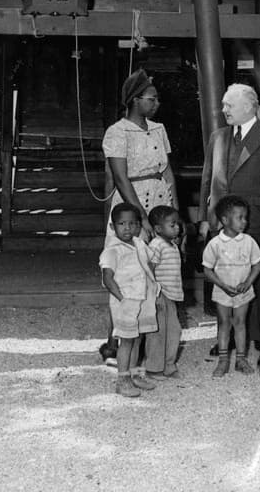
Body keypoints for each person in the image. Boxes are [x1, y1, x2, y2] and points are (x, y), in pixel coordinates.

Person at [199, 83, 260, 351]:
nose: (223, 109)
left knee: (257, 276)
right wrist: (205, 219)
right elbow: (208, 180)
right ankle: (224, 338)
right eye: (224, 104)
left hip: (256, 219)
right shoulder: (218, 137)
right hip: (221, 223)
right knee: (222, 277)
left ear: (249, 107)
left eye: (229, 105)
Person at [102, 69, 179, 243]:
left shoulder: (158, 129)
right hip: (132, 205)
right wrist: (142, 218)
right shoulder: (117, 132)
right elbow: (121, 179)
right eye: (152, 100)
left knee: (164, 260)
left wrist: (175, 214)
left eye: (158, 99)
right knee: (131, 260)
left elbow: (167, 174)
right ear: (135, 100)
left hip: (160, 201)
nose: (157, 104)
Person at [99, 202, 159, 397]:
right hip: (125, 302)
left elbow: (150, 262)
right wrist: (122, 300)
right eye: (122, 224)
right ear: (112, 227)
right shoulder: (112, 250)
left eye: (132, 224)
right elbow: (107, 279)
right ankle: (122, 380)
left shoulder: (139, 244)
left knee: (137, 337)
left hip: (142, 299)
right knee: (126, 341)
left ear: (139, 226)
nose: (127, 228)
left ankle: (134, 374)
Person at [202, 195, 260, 378]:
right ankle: (223, 361)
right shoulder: (215, 244)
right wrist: (221, 285)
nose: (244, 221)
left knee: (240, 323)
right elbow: (207, 270)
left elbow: (257, 266)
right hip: (222, 291)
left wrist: (248, 282)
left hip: (244, 292)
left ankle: (241, 360)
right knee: (224, 323)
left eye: (245, 217)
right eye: (240, 217)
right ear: (225, 220)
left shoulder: (249, 242)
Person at [144, 205, 184, 380]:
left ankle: (169, 365)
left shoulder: (173, 246)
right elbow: (149, 268)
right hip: (160, 295)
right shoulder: (156, 245)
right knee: (158, 332)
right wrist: (154, 292)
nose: (177, 227)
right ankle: (153, 367)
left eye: (177, 224)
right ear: (158, 229)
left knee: (174, 331)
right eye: (172, 224)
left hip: (172, 295)